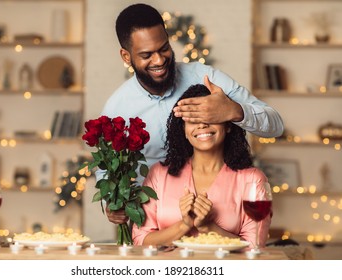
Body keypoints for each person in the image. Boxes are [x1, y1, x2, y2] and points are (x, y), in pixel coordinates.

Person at [100, 3, 283, 224]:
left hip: (218, 214)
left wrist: (234, 110)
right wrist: (110, 204)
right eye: (147, 54)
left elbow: (275, 125)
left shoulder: (206, 77)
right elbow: (107, 172)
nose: (159, 60)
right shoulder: (116, 108)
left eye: (164, 48)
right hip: (153, 221)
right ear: (126, 56)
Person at [132, 84, 272, 247]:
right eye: (193, 119)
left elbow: (255, 247)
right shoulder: (158, 174)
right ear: (183, 129)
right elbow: (140, 241)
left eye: (211, 117)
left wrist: (208, 227)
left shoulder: (253, 180)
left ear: (228, 126)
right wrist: (184, 225)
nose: (202, 125)